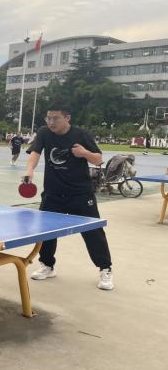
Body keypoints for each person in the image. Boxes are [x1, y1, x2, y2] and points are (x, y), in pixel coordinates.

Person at [24, 102, 113, 290]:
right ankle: (47, 265)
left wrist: (84, 153)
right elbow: (35, 153)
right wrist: (29, 170)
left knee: (93, 232)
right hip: (53, 194)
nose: (51, 122)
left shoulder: (81, 135)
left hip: (80, 194)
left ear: (67, 118)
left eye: (55, 118)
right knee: (46, 232)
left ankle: (105, 269)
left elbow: (98, 159)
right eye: (48, 118)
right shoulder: (44, 133)